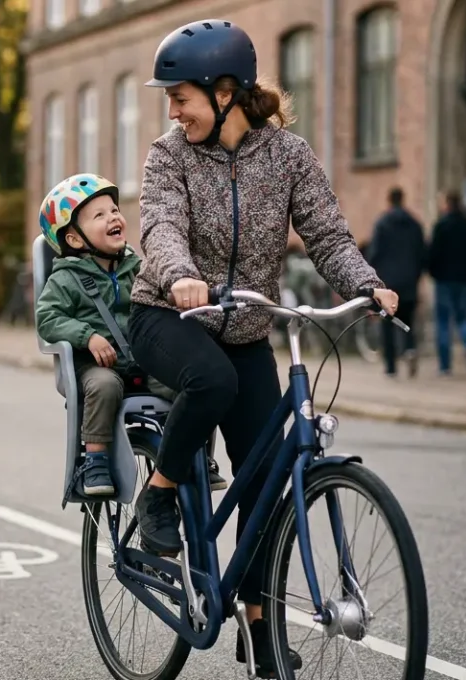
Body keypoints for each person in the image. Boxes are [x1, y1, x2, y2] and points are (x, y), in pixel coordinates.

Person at [129, 20, 399, 677]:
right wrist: (180, 275)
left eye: (181, 98)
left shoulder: (288, 156)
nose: (173, 111)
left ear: (225, 93)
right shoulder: (169, 156)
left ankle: (257, 625)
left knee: (266, 477)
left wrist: (367, 286)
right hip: (168, 315)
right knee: (213, 382)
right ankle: (160, 491)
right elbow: (160, 225)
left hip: (248, 327)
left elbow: (327, 234)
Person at [36, 173, 227, 497]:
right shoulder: (66, 279)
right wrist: (87, 336)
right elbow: (48, 318)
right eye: (99, 215)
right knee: (105, 386)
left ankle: (196, 454)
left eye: (114, 210)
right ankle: (95, 461)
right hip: (95, 365)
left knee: (193, 382)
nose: (113, 217)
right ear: (75, 239)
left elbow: (161, 295)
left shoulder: (135, 267)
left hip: (141, 359)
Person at [366, 187, 427, 377]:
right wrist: (416, 275)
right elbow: (422, 253)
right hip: (409, 281)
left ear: (389, 200)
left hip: (388, 283)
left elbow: (374, 253)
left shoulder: (382, 224)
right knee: (407, 320)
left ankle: (391, 367)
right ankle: (410, 349)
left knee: (387, 323)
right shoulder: (415, 224)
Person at [427, 189, 466, 375]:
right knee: (463, 317)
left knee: (443, 321)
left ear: (446, 204)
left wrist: (432, 272)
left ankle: (445, 366)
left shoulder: (441, 226)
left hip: (444, 279)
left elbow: (433, 253)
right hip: (465, 279)